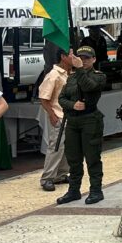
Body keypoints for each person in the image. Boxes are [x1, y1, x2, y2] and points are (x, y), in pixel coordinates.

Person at [56, 46, 107, 205]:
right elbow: (61, 98)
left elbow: (89, 87)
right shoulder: (71, 78)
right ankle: (74, 190)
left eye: (86, 58)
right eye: (80, 58)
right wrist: (72, 105)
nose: (83, 61)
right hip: (73, 121)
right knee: (73, 158)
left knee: (92, 157)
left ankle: (96, 190)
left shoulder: (98, 76)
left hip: (90, 120)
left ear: (93, 60)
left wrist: (79, 69)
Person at [37, 48, 72, 191]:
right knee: (56, 147)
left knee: (66, 146)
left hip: (69, 116)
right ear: (63, 57)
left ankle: (61, 174)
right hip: (59, 115)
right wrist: (52, 115)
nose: (74, 57)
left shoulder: (69, 74)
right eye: (71, 54)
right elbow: (44, 98)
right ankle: (47, 178)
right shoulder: (54, 75)